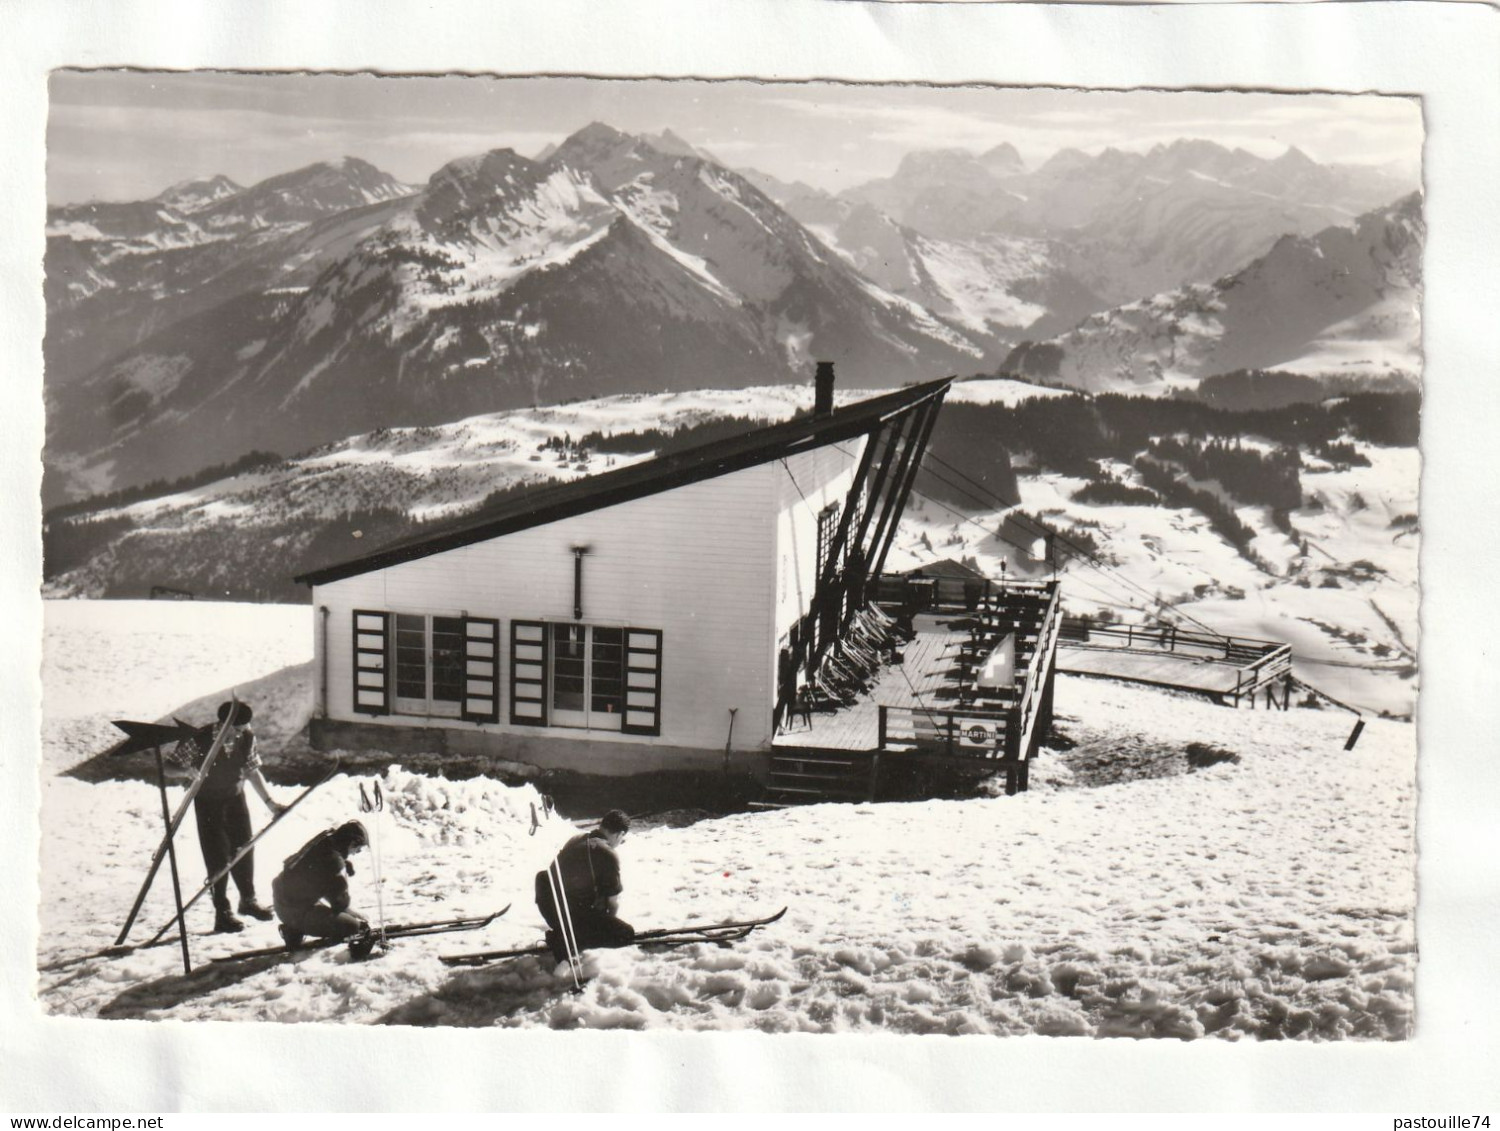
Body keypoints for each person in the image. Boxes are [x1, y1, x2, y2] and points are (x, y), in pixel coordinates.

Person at [188, 700, 287, 933]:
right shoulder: (200, 739)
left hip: (235, 800)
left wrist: (270, 803)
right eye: (238, 729)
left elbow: (252, 770)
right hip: (208, 803)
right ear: (224, 726)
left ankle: (248, 901)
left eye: (245, 728)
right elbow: (170, 767)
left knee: (244, 847)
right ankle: (222, 913)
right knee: (217, 856)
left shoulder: (247, 737)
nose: (243, 733)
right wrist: (186, 771)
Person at [534, 809, 635, 963]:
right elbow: (613, 903)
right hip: (573, 913)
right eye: (622, 839)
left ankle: (566, 933)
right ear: (619, 834)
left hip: (550, 908)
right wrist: (607, 928)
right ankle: (567, 938)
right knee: (626, 933)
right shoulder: (607, 853)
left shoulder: (575, 839)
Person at [271, 820, 370, 949]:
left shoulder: (325, 839)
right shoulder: (334, 862)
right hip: (294, 910)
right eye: (358, 850)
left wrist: (343, 863)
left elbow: (317, 862)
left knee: (320, 907)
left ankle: (294, 928)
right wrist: (355, 916)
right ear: (351, 843)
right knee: (352, 926)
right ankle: (294, 929)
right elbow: (339, 903)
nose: (356, 853)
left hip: (281, 898)